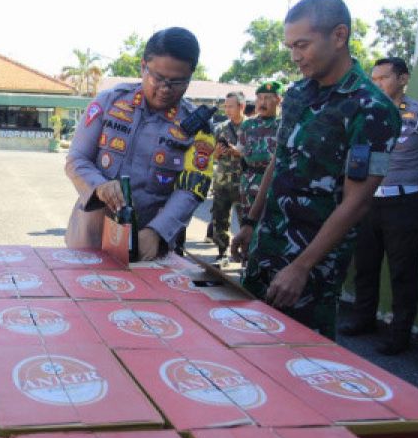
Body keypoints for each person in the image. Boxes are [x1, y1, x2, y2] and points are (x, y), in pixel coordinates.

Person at [230, 0, 401, 338]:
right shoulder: (296, 94)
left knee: (298, 359)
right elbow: (278, 161)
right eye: (290, 46)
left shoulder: (374, 109)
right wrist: (251, 221)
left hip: (311, 269)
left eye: (302, 45)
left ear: (339, 36)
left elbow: (358, 201)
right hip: (266, 250)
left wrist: (302, 267)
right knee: (247, 344)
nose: (294, 57)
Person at [66, 27, 205, 260]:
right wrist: (100, 186)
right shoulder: (109, 103)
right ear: (143, 66)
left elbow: (190, 189)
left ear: (190, 77)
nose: (165, 89)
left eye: (177, 82)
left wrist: (157, 231)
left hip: (151, 246)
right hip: (91, 240)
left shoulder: (198, 128)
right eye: (158, 78)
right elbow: (76, 159)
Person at [341, 57, 418, 354]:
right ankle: (363, 319)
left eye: (383, 78)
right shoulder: (364, 114)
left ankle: (399, 335)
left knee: (403, 272)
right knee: (365, 266)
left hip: (404, 204)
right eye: (373, 79)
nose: (376, 84)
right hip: (367, 203)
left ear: (403, 79)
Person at [209, 92, 247, 264]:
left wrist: (239, 153)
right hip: (222, 181)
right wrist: (216, 154)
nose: (227, 110)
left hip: (243, 183)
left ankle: (246, 254)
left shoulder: (251, 127)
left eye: (231, 106)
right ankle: (222, 251)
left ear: (242, 106)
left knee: (245, 220)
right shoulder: (220, 128)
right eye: (225, 106)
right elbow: (210, 157)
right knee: (219, 218)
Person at [237, 80, 283, 216]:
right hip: (249, 182)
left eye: (267, 98)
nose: (262, 102)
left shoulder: (284, 125)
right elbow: (239, 151)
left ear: (278, 100)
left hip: (274, 184)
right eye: (259, 98)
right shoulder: (247, 125)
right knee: (246, 224)